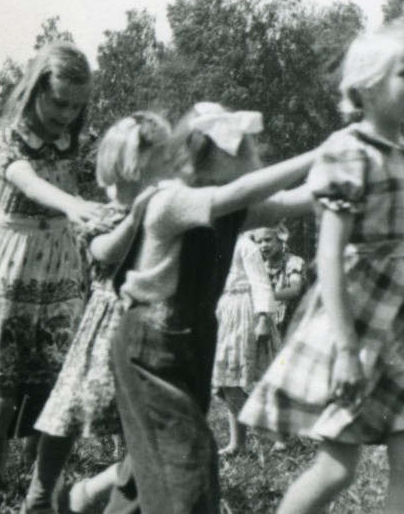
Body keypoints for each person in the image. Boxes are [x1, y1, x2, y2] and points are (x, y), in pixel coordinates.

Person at [240, 22, 404, 514]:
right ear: (366, 87)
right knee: (336, 468)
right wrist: (347, 350)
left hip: (400, 330)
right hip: (352, 325)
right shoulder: (347, 153)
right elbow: (329, 253)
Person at [102, 101, 317, 514]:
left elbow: (288, 202)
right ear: (202, 154)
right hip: (151, 347)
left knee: (147, 473)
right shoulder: (169, 200)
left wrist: (344, 179)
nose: (251, 158)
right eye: (239, 150)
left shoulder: (229, 209)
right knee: (189, 466)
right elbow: (245, 192)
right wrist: (318, 155)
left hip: (187, 345)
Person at [0, 41, 103, 514]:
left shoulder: (70, 141)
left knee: (60, 393)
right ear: (36, 89)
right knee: (1, 392)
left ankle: (39, 500)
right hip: (13, 266)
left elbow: (79, 187)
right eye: (58, 101)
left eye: (76, 105)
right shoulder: (9, 137)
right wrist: (74, 206)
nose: (66, 113)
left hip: (59, 268)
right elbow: (27, 180)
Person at [32, 112, 172, 514]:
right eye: (158, 158)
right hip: (106, 326)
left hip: (147, 325)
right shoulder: (102, 214)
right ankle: (42, 492)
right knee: (67, 412)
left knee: (140, 425)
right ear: (129, 164)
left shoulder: (161, 210)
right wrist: (137, 217)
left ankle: (106, 495)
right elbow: (104, 252)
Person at [212, 232, 280, 455]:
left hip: (242, 311)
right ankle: (239, 442)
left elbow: (261, 284)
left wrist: (263, 319)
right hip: (221, 311)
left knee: (235, 379)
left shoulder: (245, 245)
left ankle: (272, 433)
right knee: (225, 380)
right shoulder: (210, 243)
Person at [253, 225, 307, 337]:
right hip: (272, 323)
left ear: (280, 238)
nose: (263, 245)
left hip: (294, 320)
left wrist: (267, 296)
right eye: (259, 242)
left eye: (267, 240)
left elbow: (294, 290)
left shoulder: (294, 262)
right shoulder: (262, 268)